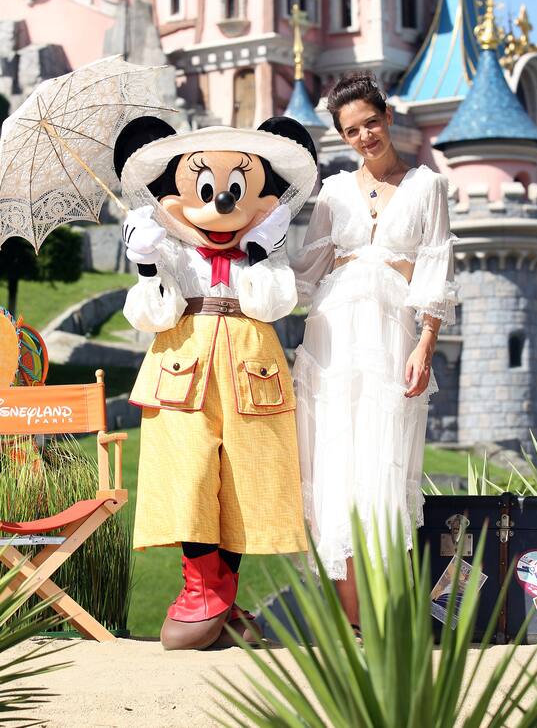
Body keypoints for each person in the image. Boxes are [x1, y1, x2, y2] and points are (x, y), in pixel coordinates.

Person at [114, 116, 317, 650]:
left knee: (248, 477)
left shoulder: (264, 246)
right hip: (182, 360)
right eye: (206, 190)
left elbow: (271, 305)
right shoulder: (171, 249)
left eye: (236, 190)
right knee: (190, 474)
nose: (222, 204)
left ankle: (220, 597)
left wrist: (262, 252)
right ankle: (203, 591)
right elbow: (153, 316)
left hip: (253, 362)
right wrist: (146, 266)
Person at [291, 72, 458, 632]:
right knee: (335, 468)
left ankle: (385, 622)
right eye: (350, 130)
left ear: (387, 117)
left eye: (369, 123)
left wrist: (426, 345)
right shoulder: (333, 192)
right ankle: (351, 625)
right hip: (331, 340)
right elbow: (307, 273)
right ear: (342, 136)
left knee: (382, 471)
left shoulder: (428, 186)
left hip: (392, 339)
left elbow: (435, 267)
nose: (364, 136)